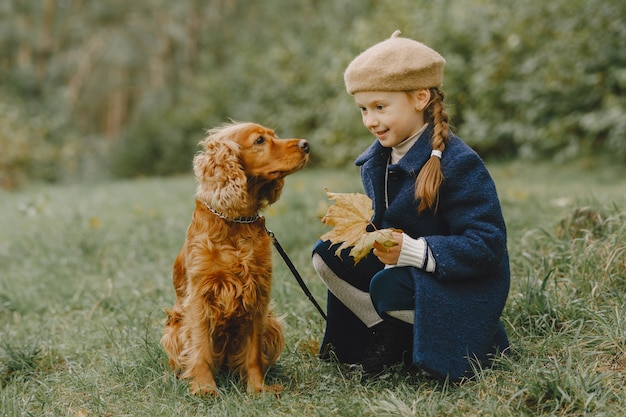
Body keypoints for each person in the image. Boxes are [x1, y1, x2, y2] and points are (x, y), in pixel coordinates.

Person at [312, 30, 510, 381]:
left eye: (380, 107)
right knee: (328, 253)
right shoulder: (377, 160)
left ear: (420, 98)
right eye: (363, 109)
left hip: (458, 280)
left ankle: (475, 341)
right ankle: (393, 334)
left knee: (386, 288)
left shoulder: (458, 163)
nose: (370, 120)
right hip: (403, 267)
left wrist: (416, 252)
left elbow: (487, 245)